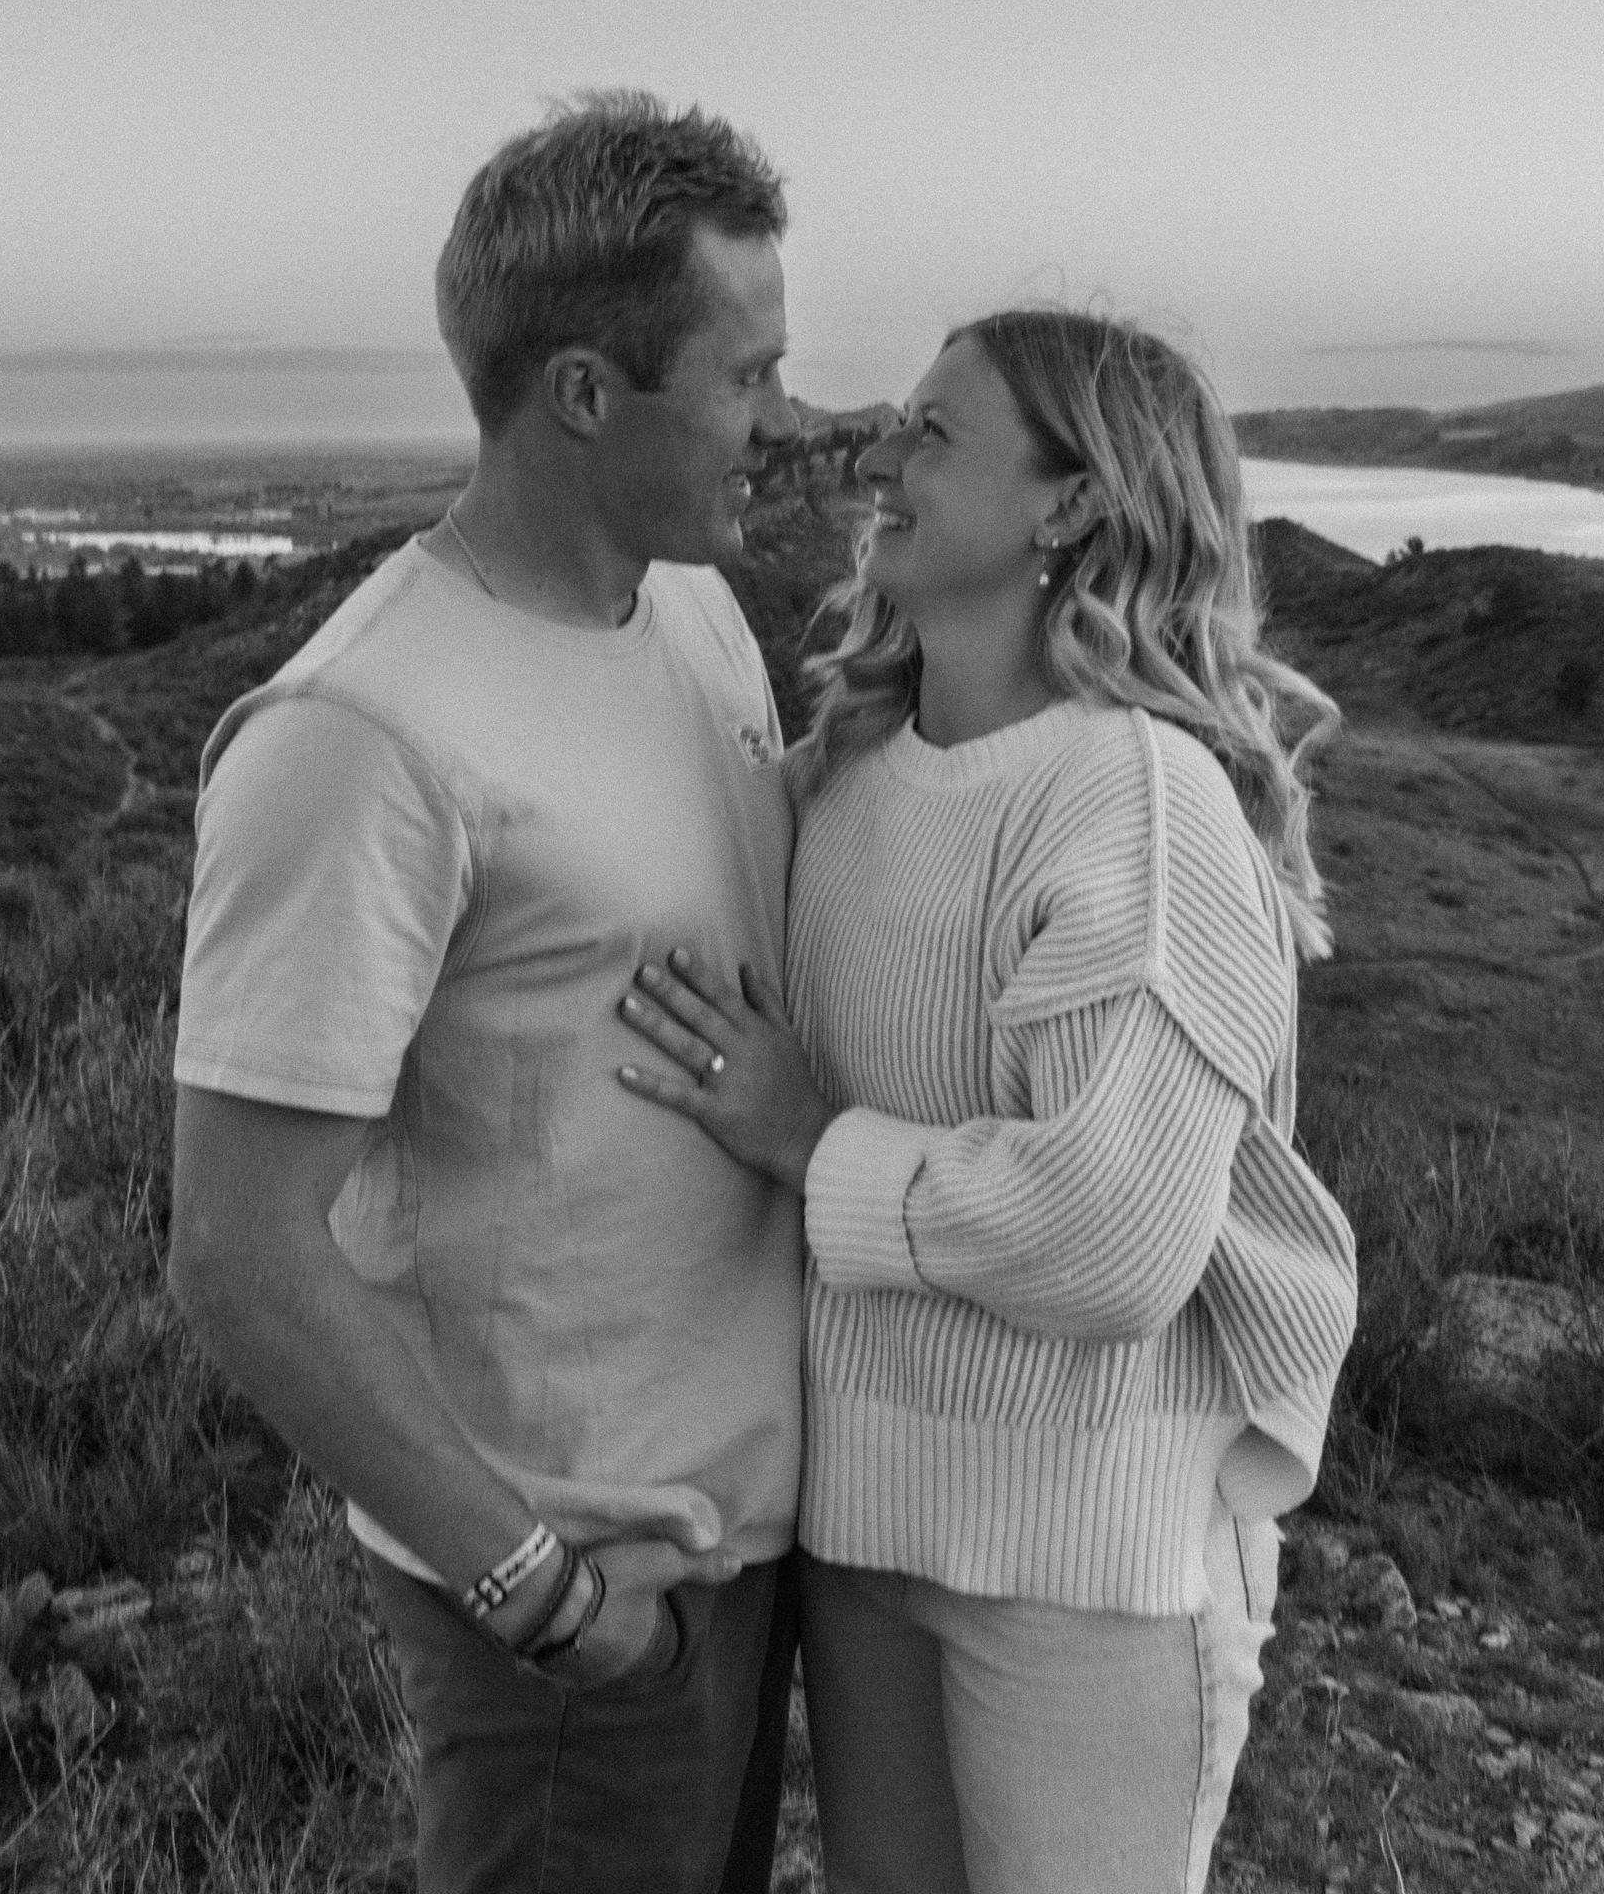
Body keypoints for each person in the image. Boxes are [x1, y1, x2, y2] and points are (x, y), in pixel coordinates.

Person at [615, 308, 1361, 1894]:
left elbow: (1113, 1236)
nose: (877, 455)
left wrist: (813, 1143)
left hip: (1093, 1568)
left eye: (934, 433)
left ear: (1071, 503)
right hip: (865, 1529)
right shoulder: (844, 778)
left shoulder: (1135, 799)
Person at [167, 93, 805, 1894]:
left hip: (737, 1551)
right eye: (747, 376)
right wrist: (542, 1597)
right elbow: (238, 1250)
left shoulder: (693, 617)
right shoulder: (361, 736)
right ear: (585, 393)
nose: (785, 421)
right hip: (578, 1600)